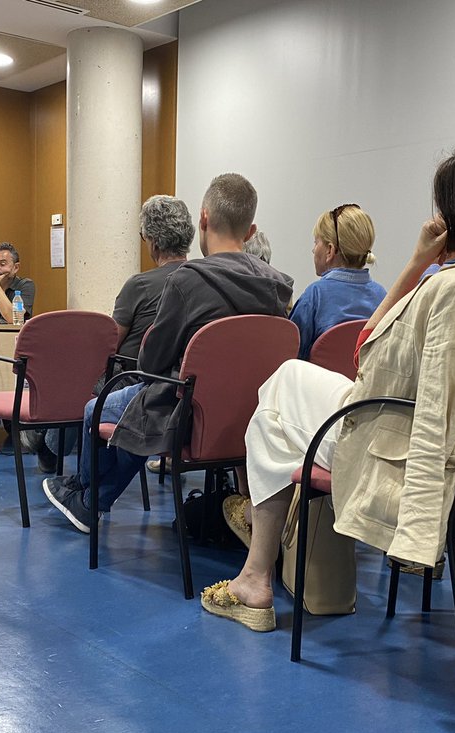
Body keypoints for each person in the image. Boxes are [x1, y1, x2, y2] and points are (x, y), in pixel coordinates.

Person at [200, 140, 455, 632]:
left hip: (402, 446)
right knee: (284, 393)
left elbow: (368, 352)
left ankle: (254, 576)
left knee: (273, 405)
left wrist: (419, 263)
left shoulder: (454, 288)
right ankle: (268, 553)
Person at [41, 173, 293, 532]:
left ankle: (86, 499)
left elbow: (150, 364)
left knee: (95, 408)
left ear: (203, 219)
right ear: (250, 232)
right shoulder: (278, 287)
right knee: (134, 408)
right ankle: (84, 496)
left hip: (187, 413)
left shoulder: (188, 281)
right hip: (250, 415)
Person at [37, 196, 195, 475]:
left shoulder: (140, 285)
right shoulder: (201, 281)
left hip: (134, 380)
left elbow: (109, 344)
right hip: (183, 387)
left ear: (153, 242)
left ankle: (52, 451)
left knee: (81, 376)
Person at [290, 204, 388, 360]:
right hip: (366, 383)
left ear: (330, 250)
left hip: (321, 384)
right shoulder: (383, 297)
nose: (313, 250)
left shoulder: (315, 296)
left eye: (316, 242)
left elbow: (289, 357)